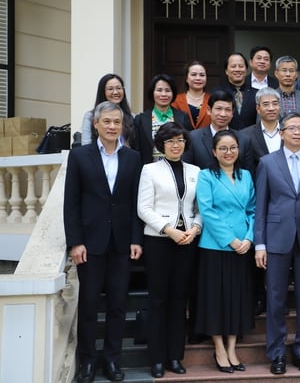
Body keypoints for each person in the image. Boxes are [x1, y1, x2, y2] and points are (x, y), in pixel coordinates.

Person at [64, 101, 143, 383]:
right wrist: (75, 242)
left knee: (118, 305)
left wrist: (136, 239)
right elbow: (71, 203)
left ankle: (111, 359)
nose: (112, 127)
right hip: (90, 243)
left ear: (123, 126)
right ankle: (87, 361)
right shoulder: (79, 156)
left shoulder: (133, 158)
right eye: (107, 122)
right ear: (96, 124)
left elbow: (136, 203)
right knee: (88, 304)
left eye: (117, 122)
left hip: (122, 244)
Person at [254, 113, 300, 375]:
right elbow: (260, 206)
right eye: (291, 128)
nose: (297, 132)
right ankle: (276, 354)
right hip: (275, 238)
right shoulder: (267, 162)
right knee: (276, 298)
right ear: (281, 133)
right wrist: (259, 244)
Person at [137, 122, 201, 378]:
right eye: (171, 141)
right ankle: (156, 359)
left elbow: (200, 208)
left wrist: (194, 229)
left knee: (179, 300)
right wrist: (168, 229)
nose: (176, 145)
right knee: (158, 299)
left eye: (180, 140)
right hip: (159, 242)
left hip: (187, 242)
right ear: (161, 145)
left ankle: (175, 356)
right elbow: (144, 208)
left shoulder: (196, 171)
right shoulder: (149, 170)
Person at [195, 130, 256, 373]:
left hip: (243, 247)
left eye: (232, 147)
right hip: (216, 246)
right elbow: (207, 211)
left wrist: (249, 239)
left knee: (237, 298)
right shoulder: (206, 176)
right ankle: (219, 348)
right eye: (223, 148)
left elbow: (253, 209)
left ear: (238, 150)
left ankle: (232, 347)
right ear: (214, 151)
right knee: (216, 299)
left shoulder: (247, 176)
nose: (228, 152)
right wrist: (231, 240)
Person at [241, 87, 282, 316]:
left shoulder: (291, 132)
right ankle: (258, 297)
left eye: (274, 104)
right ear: (258, 108)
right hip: (258, 198)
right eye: (265, 104)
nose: (270, 108)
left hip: (285, 201)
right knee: (258, 249)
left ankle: (279, 298)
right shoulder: (246, 135)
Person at [182, 90, 253, 174]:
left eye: (227, 110)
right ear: (209, 110)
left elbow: (248, 173)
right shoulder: (193, 138)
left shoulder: (244, 140)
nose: (223, 114)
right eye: (218, 109)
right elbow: (187, 171)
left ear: (232, 113)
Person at [132, 74, 191, 164]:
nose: (163, 94)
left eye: (167, 90)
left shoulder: (183, 118)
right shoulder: (140, 120)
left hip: (177, 169)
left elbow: (188, 148)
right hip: (149, 171)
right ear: (152, 92)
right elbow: (136, 149)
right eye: (159, 90)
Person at [81, 73, 135, 146]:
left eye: (119, 88)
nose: (115, 92)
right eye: (110, 89)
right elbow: (86, 146)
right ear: (103, 91)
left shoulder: (132, 117)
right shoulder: (90, 116)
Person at [211, 52, 258, 130]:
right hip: (224, 138)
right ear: (226, 71)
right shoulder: (216, 92)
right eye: (233, 66)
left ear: (246, 69)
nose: (237, 69)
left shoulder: (256, 93)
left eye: (241, 66)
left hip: (251, 139)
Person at [172, 61, 211, 130]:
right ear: (186, 78)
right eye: (193, 75)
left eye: (202, 75)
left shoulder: (213, 100)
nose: (198, 78)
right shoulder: (176, 100)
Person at [274, 55, 300, 121]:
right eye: (284, 70)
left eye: (291, 70)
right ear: (276, 73)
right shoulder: (269, 97)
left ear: (296, 74)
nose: (288, 74)